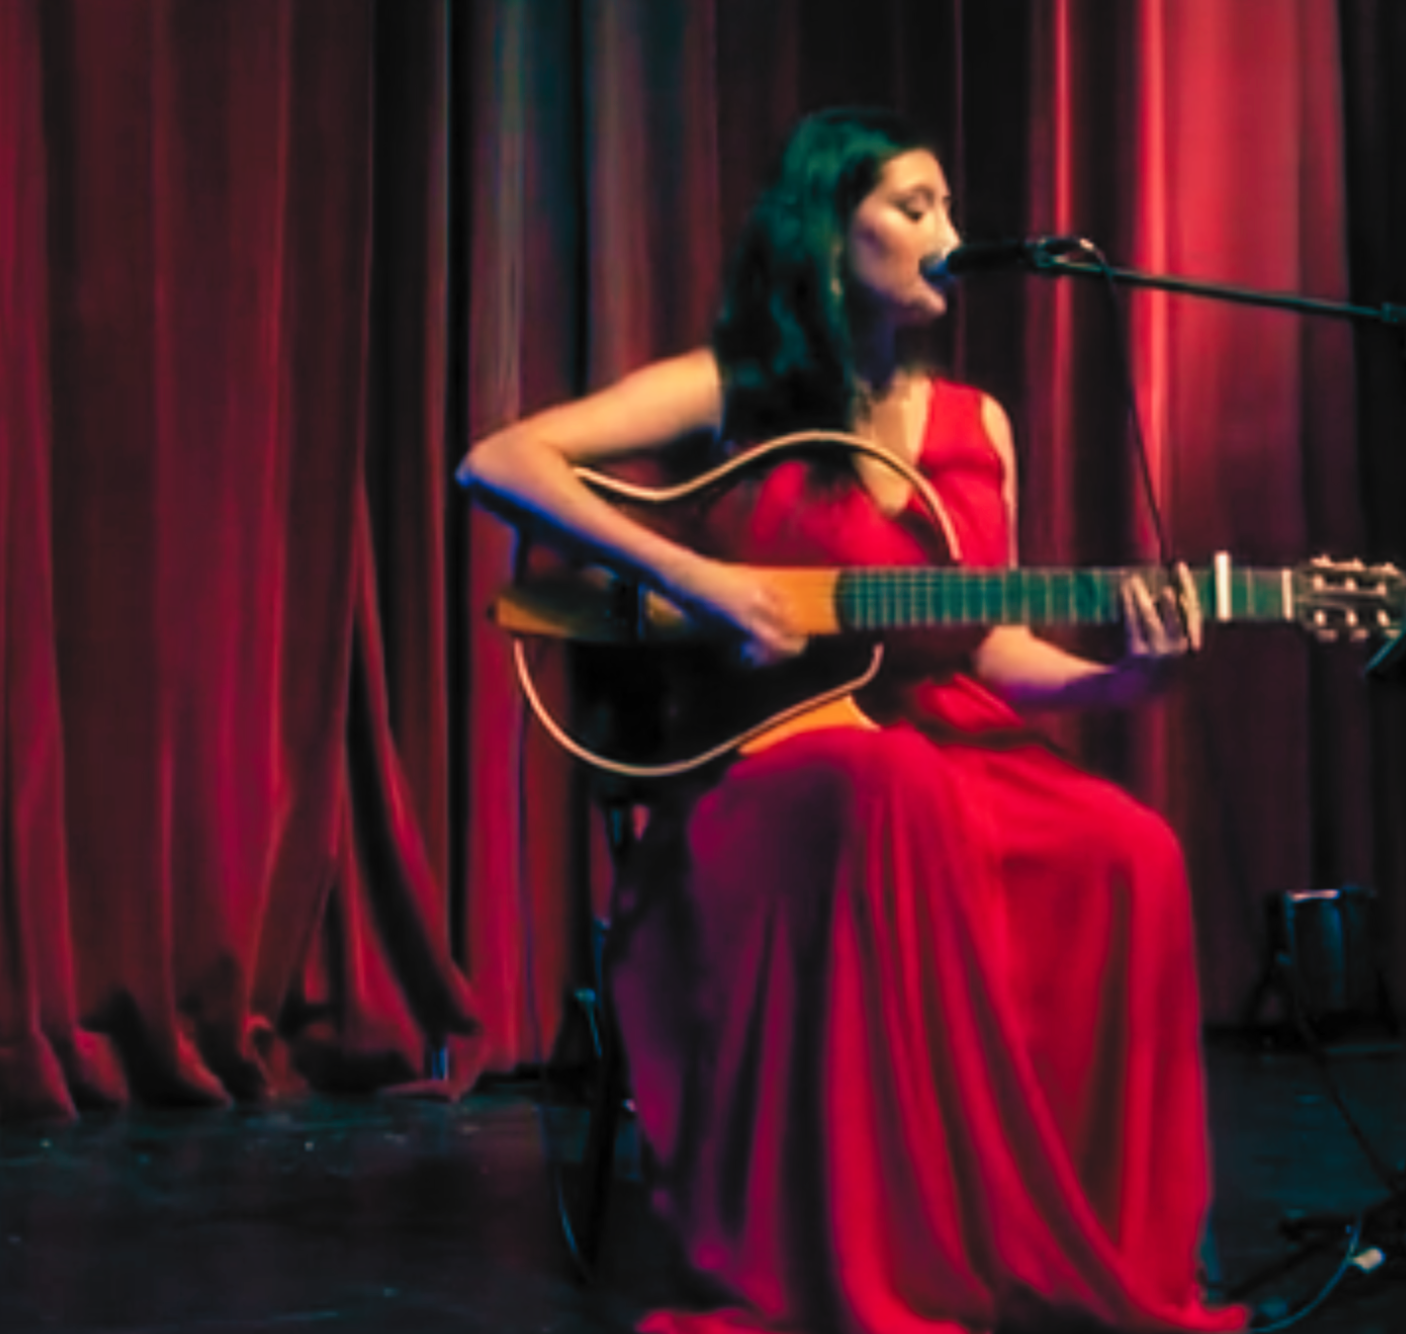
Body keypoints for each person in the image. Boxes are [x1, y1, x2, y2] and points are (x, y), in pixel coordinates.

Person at [458, 107, 1245, 1334]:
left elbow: (987, 641)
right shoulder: (731, 388)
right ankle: (884, 1261)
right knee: (891, 787)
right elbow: (499, 462)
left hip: (938, 735)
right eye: (914, 206)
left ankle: (1060, 1247)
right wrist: (698, 581)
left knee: (1128, 848)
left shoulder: (976, 426)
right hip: (768, 759)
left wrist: (1122, 684)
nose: (948, 229)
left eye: (948, 206)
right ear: (830, 237)